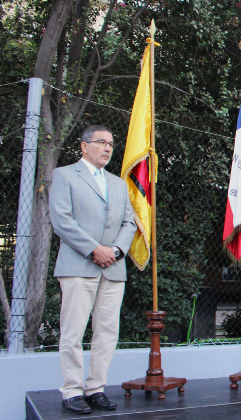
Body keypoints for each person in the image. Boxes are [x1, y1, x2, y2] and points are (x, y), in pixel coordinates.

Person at [49, 125, 136, 414]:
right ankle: (72, 391)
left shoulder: (118, 183)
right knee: (73, 332)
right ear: (84, 146)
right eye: (101, 142)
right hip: (78, 267)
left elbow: (130, 222)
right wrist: (94, 249)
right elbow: (62, 220)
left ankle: (95, 388)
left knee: (107, 333)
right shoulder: (64, 175)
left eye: (111, 143)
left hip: (113, 268)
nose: (108, 148)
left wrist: (115, 250)